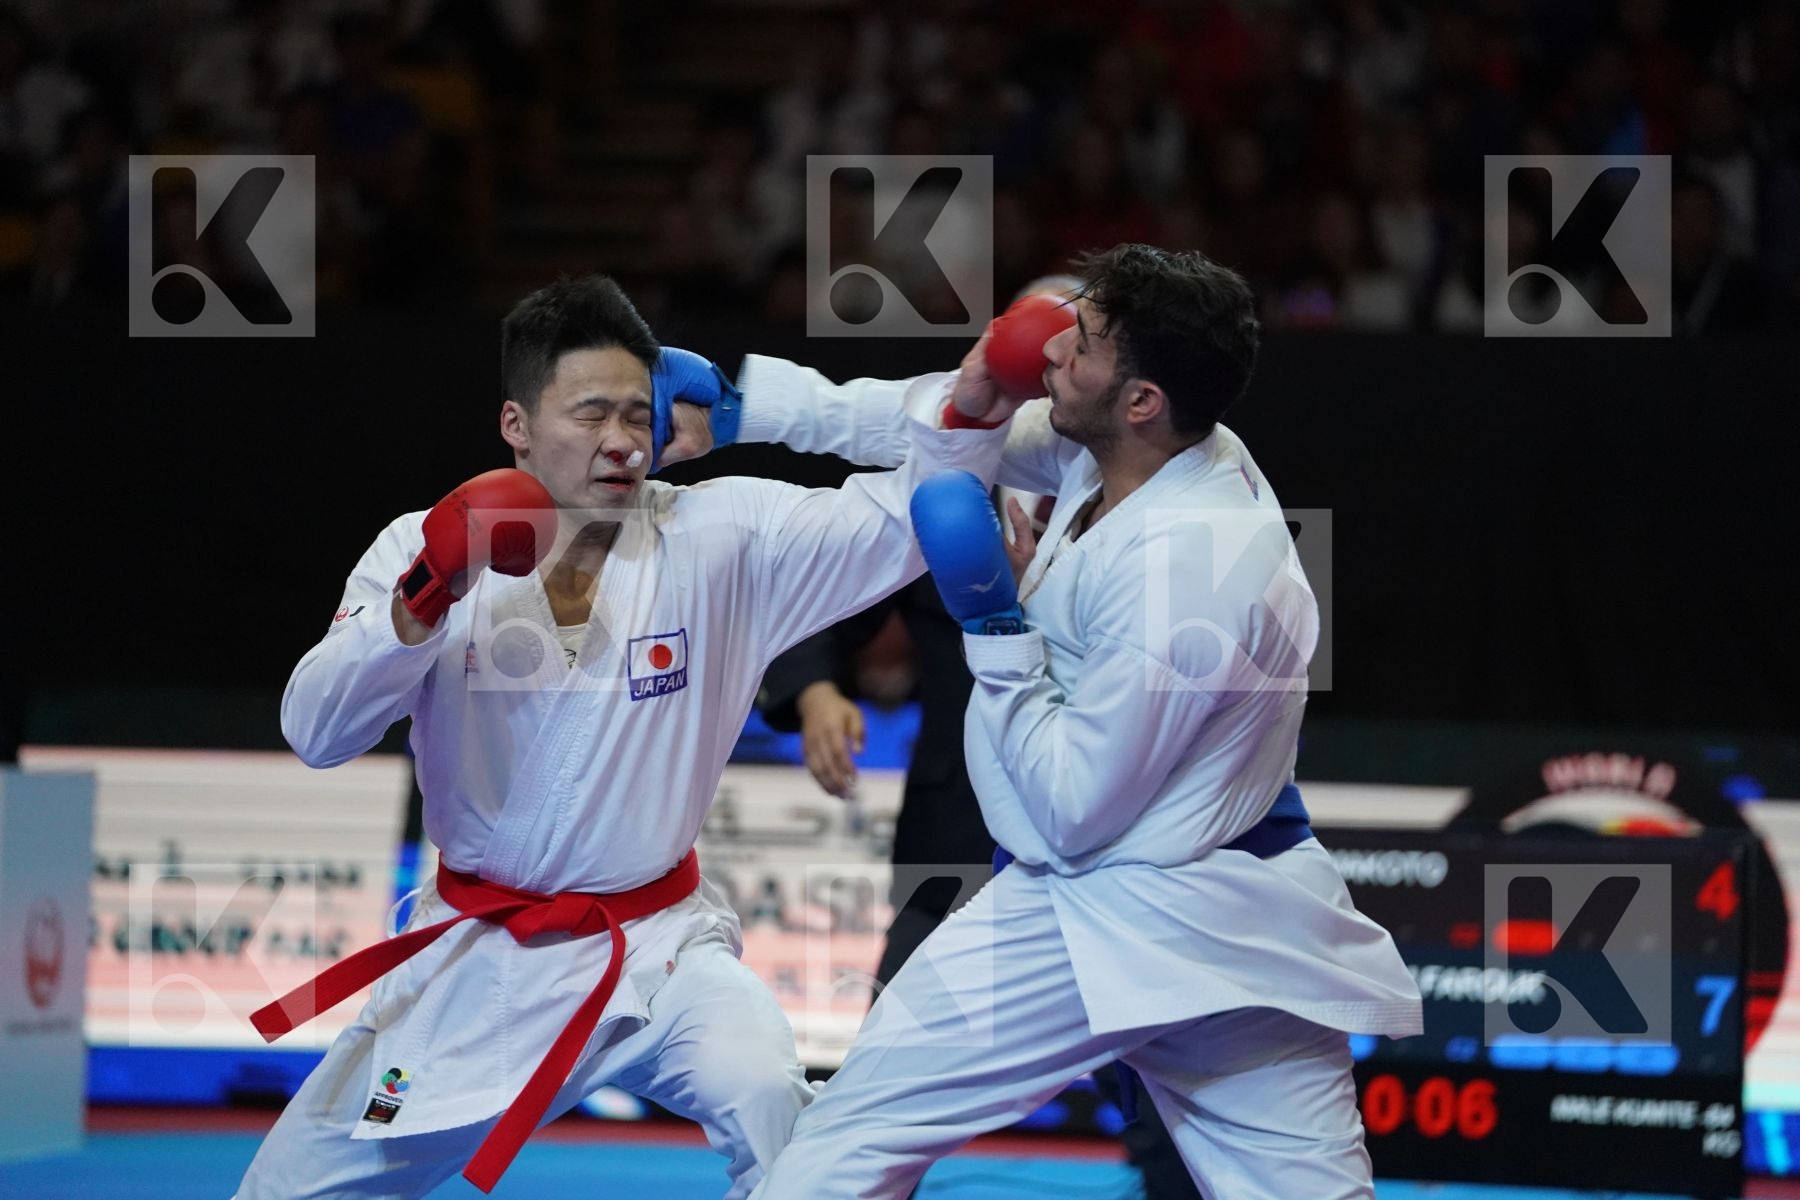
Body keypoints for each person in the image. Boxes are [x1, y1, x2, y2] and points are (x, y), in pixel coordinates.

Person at [233, 274, 1011, 1199]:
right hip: (477, 963)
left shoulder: (723, 537)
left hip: (660, 955)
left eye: (639, 416)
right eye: (591, 413)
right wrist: (426, 597)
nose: (622, 442)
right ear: (517, 424)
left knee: (780, 1110)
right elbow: (315, 732)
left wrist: (958, 409)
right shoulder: (423, 546)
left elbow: (922, 502)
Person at [735, 244, 1423, 1200]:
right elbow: (935, 425)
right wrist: (747, 406)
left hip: (1122, 902)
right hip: (1203, 907)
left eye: (1083, 341)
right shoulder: (1140, 447)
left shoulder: (1194, 573)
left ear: (1140, 399)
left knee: (843, 1149)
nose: (1050, 349)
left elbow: (1071, 809)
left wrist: (995, 625)